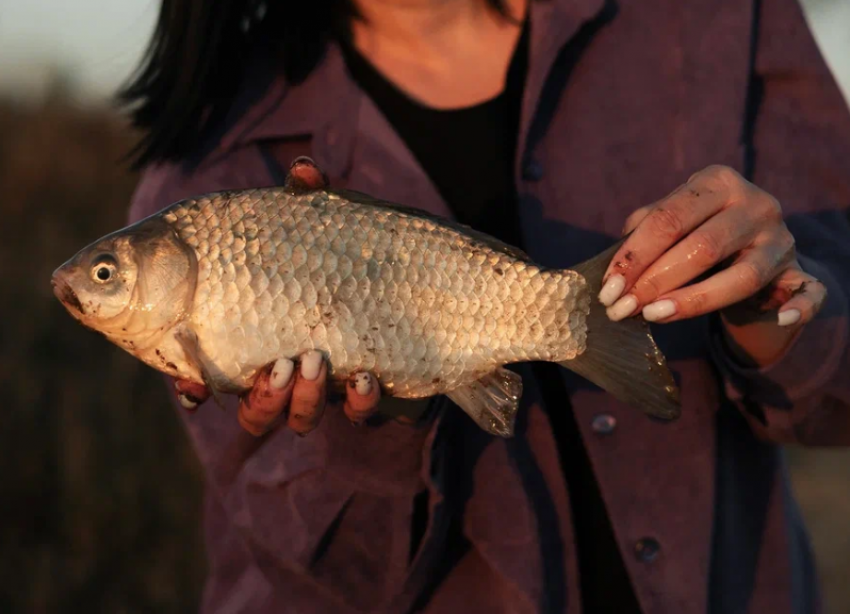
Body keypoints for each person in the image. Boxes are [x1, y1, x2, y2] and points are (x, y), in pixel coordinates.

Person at [121, 0, 850, 611]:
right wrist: (381, 422)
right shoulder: (203, 171)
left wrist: (771, 312)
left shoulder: (712, 16)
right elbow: (330, 581)